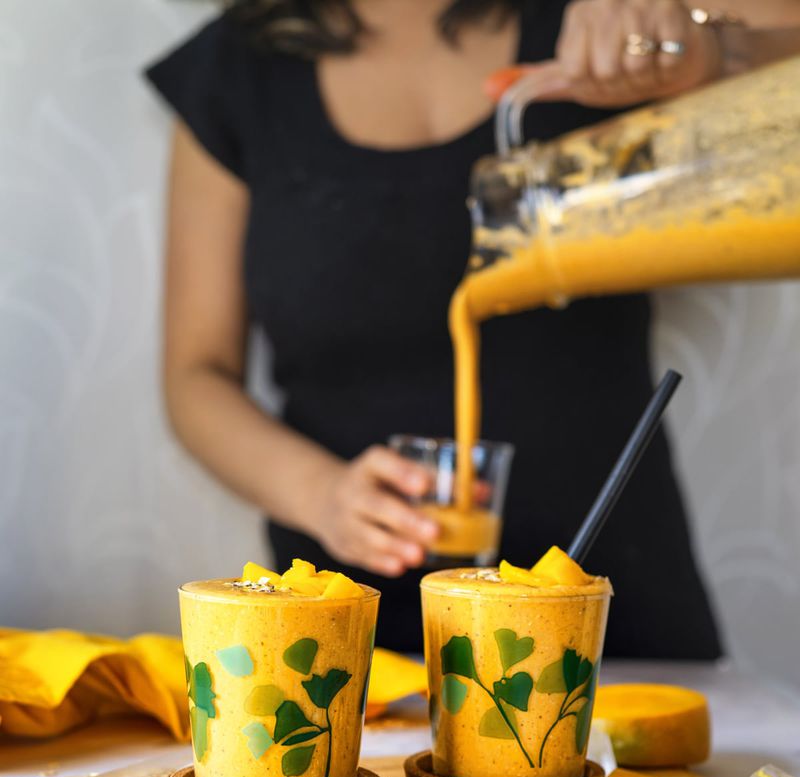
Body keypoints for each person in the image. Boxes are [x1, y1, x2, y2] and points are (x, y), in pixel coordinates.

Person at [146, 0, 800, 653]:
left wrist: (708, 47)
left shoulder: (595, 15)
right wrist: (321, 495)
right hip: (346, 632)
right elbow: (195, 376)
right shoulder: (234, 72)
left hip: (603, 607)